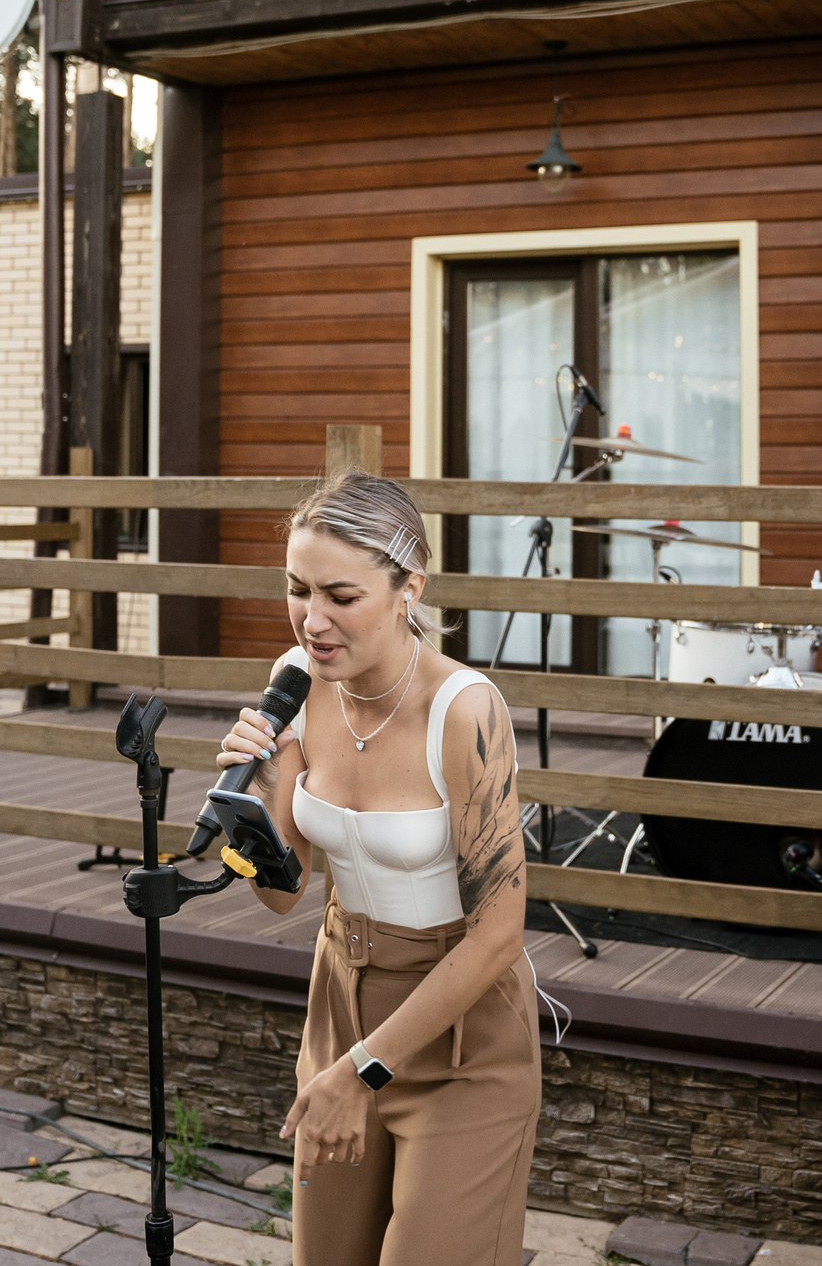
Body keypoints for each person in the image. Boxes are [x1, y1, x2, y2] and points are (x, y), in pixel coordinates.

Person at [216, 471, 540, 1266]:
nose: (312, 619)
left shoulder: (465, 710)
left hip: (460, 1032)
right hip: (339, 1001)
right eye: (296, 589)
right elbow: (282, 892)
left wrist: (361, 1073)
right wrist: (265, 789)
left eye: (340, 595)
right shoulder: (302, 682)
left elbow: (499, 933)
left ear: (408, 589)